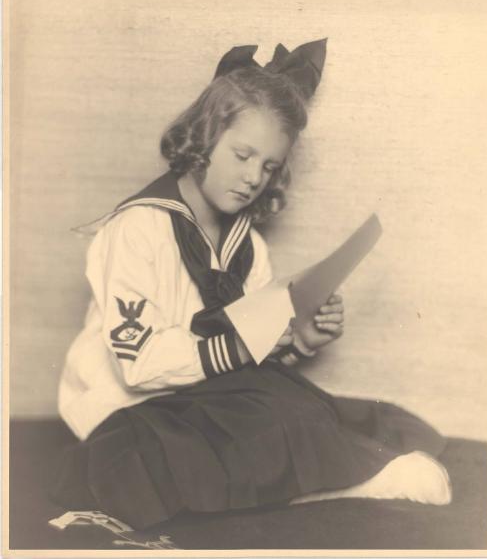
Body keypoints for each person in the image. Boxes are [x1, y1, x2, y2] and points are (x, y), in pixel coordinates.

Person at [52, 39, 451, 531]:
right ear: (203, 138)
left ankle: (327, 470)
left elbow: (251, 347)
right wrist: (242, 349)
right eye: (242, 155)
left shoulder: (248, 245)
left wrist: (300, 338)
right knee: (209, 442)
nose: (252, 178)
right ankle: (344, 482)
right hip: (131, 402)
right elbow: (138, 367)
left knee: (306, 407)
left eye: (268, 167)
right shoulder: (135, 230)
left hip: (206, 392)